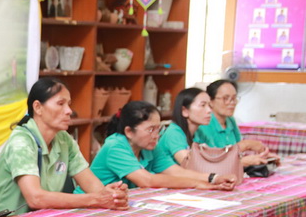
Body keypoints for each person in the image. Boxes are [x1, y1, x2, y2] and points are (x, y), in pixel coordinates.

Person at [0, 78, 128, 213]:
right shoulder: (21, 141)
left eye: (69, 104)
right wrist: (95, 199)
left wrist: (111, 194)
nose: (69, 110)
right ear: (38, 107)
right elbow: (35, 198)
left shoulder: (64, 139)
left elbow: (92, 186)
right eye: (60, 104)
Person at [89, 100, 235, 190]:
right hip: (92, 206)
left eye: (158, 129)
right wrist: (196, 184)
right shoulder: (115, 146)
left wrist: (213, 178)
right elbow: (147, 180)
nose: (156, 135)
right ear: (129, 132)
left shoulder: (150, 146)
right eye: (150, 129)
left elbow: (176, 172)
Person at [154, 88, 238, 187]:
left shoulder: (200, 132)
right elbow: (191, 165)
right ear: (185, 111)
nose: (209, 111)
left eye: (209, 106)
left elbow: (214, 158)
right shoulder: (174, 132)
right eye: (203, 105)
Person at [196, 79, 279, 166]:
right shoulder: (203, 124)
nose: (232, 103)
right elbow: (213, 161)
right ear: (210, 101)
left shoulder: (230, 120)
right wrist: (246, 145)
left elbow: (237, 154)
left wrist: (263, 157)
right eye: (225, 98)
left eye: (234, 98)